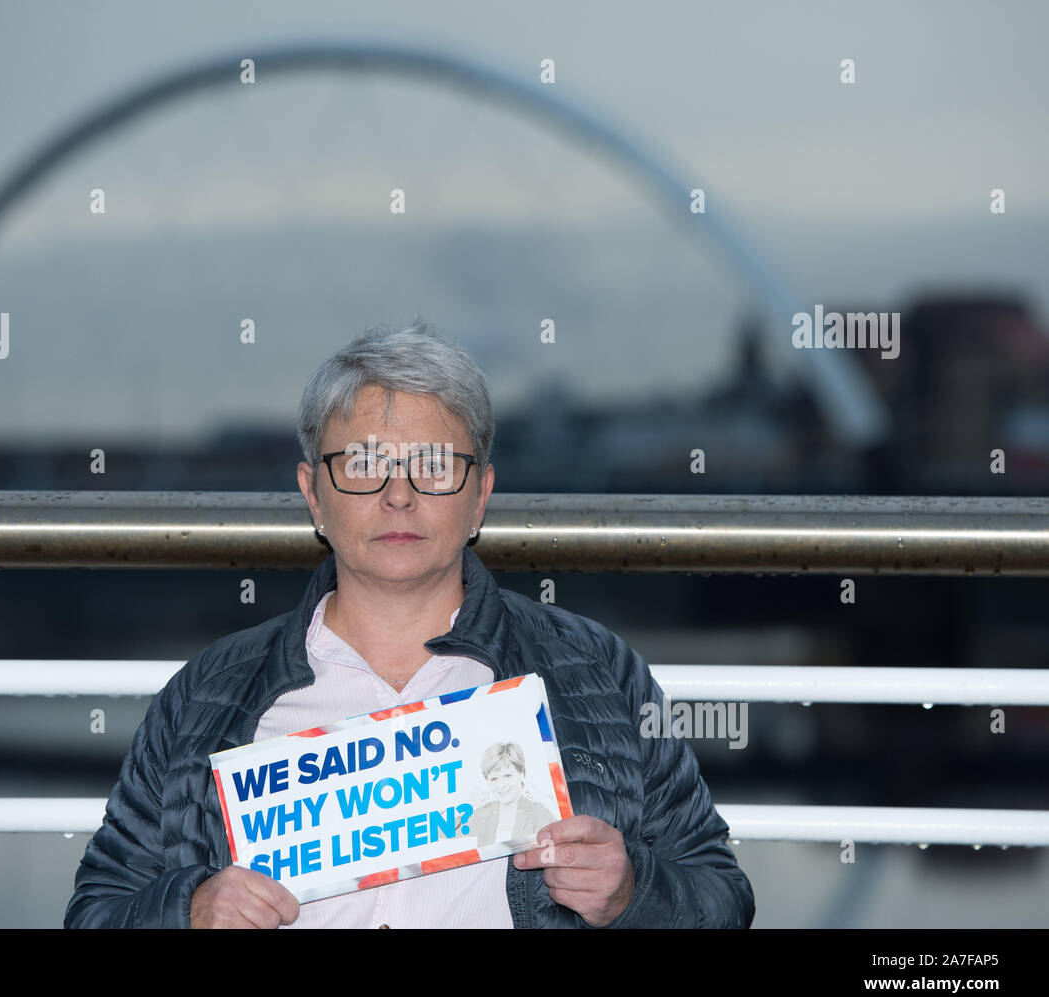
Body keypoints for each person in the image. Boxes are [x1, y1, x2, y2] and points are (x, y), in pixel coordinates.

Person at [65, 319, 755, 929]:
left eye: (433, 466)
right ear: (313, 495)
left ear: (481, 494)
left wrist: (632, 894)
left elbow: (720, 893)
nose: (399, 495)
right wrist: (189, 911)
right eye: (364, 465)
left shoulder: (596, 672)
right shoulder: (206, 694)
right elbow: (98, 908)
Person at [466, 743, 557, 849]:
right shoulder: (484, 814)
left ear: (522, 774)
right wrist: (465, 805)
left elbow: (562, 832)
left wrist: (544, 799)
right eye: (494, 779)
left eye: (507, 775)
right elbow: (442, 831)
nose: (501, 785)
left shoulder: (537, 811)